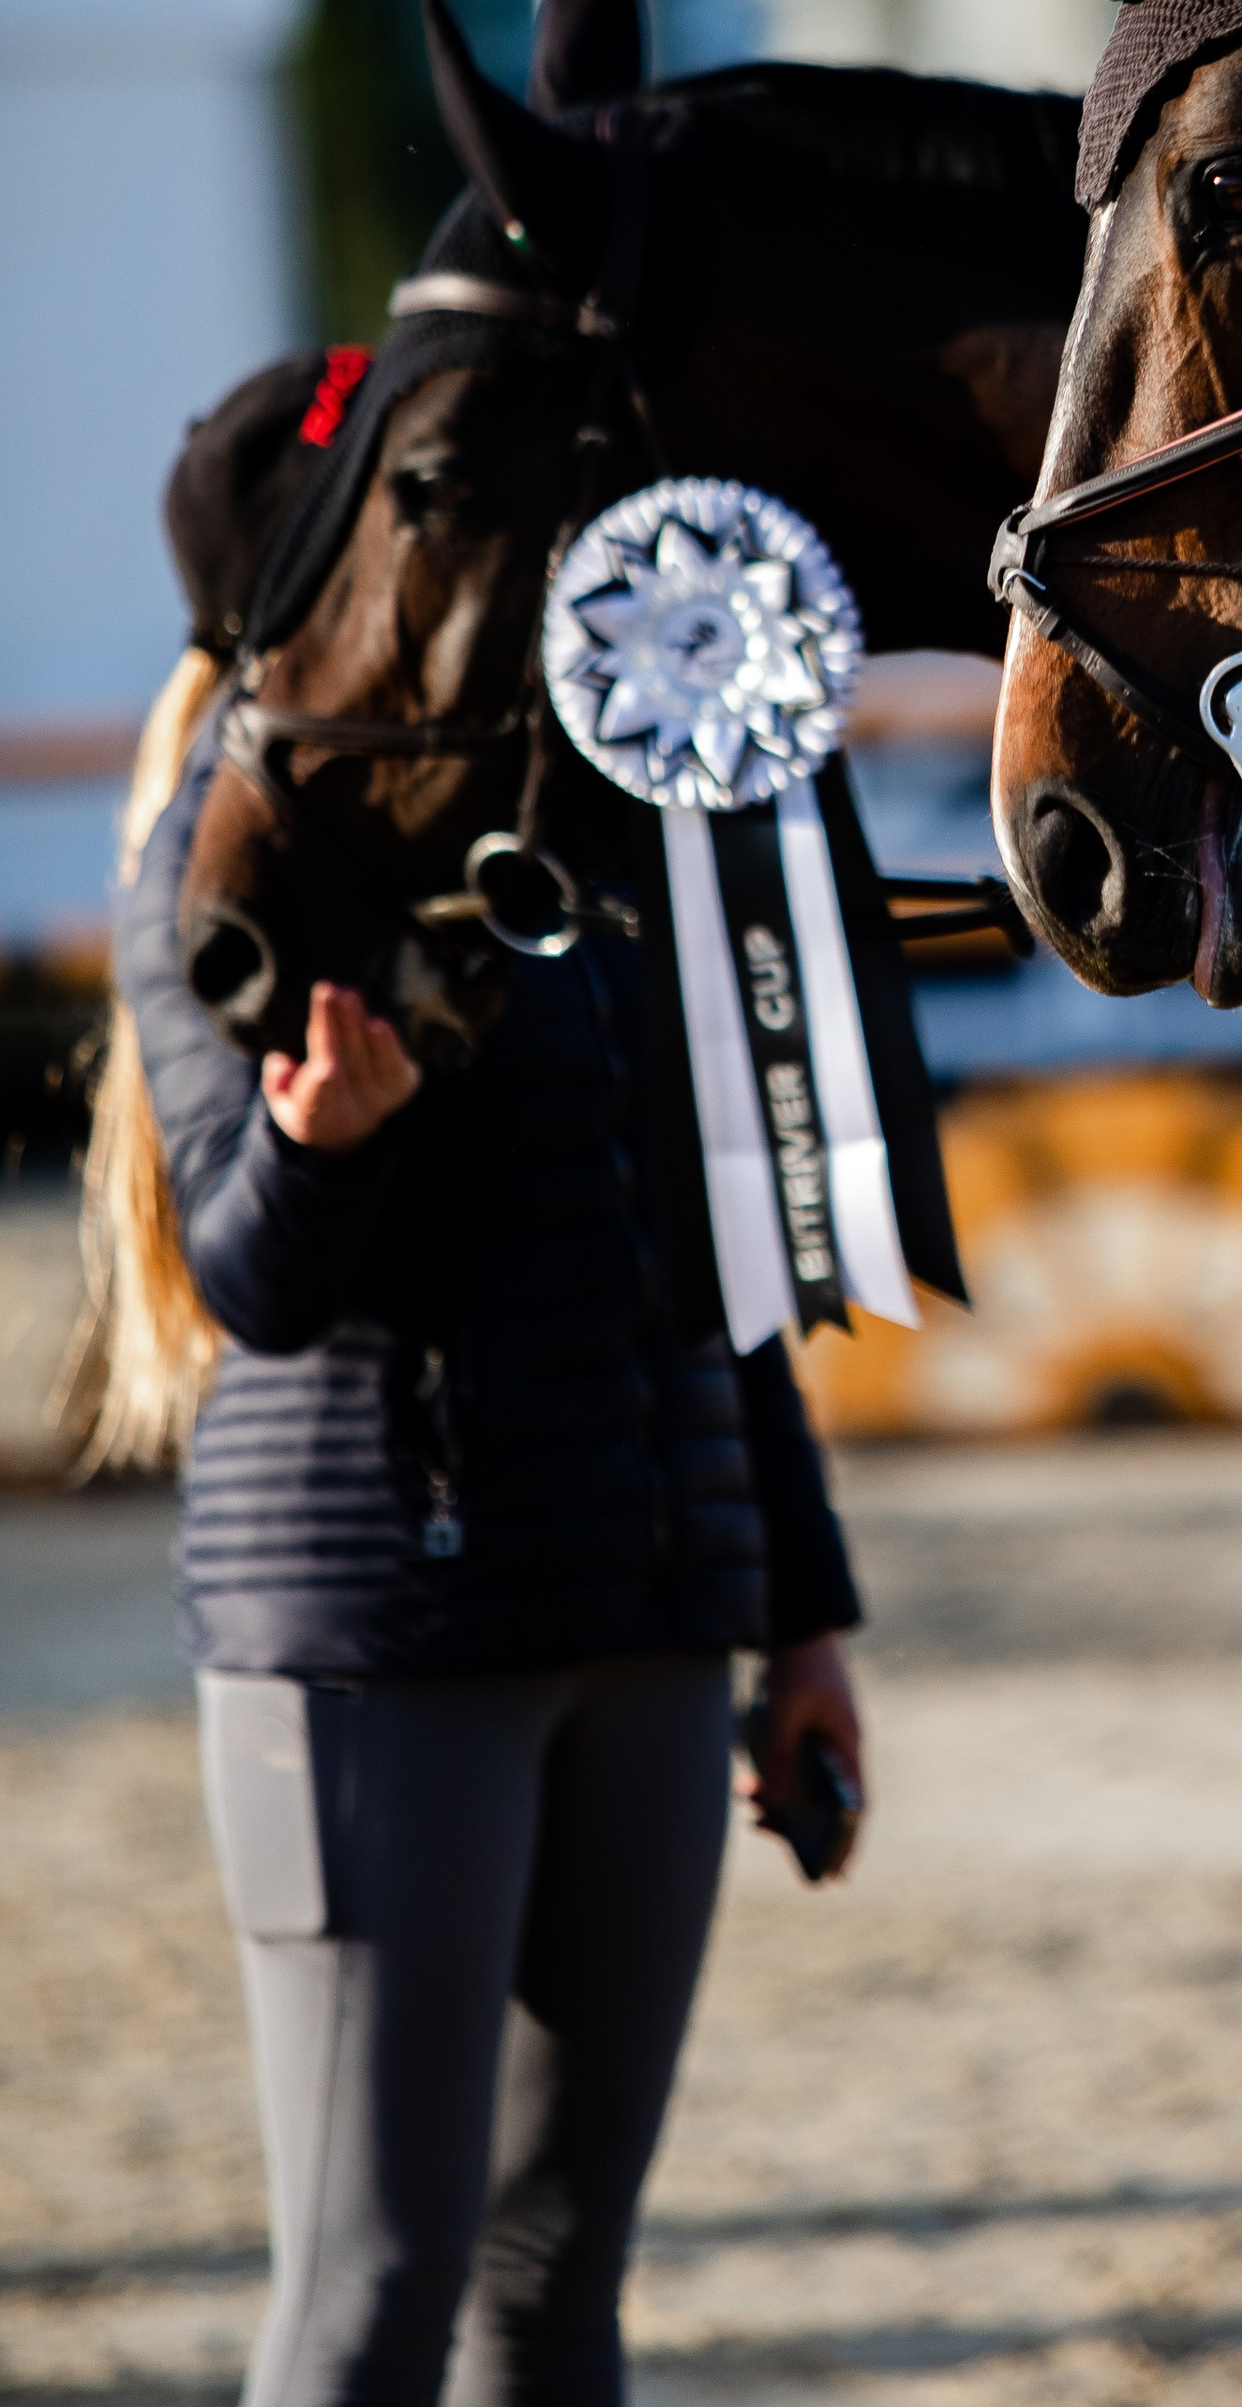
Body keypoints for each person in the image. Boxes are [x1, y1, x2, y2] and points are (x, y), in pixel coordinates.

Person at [92, 362, 867, 2407]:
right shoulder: (222, 872)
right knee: (372, 2290)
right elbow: (251, 1288)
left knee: (555, 2281)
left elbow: (711, 1251)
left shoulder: (586, 837)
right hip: (379, 1647)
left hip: (643, 1625)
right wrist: (329, 1147)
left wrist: (798, 1611)